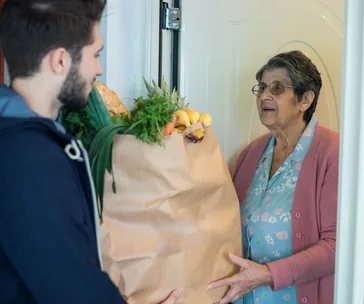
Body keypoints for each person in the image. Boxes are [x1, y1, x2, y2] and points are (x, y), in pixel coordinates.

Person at [0, 1, 183, 303]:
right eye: (95, 55)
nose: (98, 68)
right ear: (60, 61)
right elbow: (68, 286)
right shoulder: (30, 159)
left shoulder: (23, 140)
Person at [208, 50, 339, 304]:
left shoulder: (332, 152)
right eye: (262, 87)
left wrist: (268, 274)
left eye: (277, 88)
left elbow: (337, 246)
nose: (265, 95)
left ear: (305, 100)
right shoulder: (251, 154)